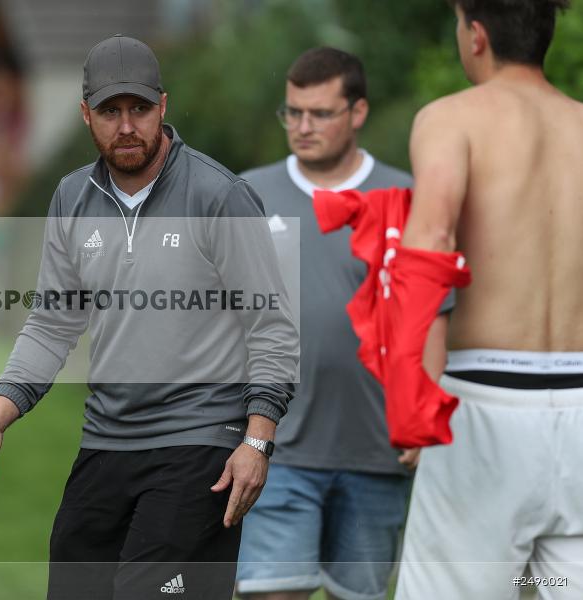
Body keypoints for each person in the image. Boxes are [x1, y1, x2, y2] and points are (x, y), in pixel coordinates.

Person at [0, 34, 299, 600]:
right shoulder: (71, 198)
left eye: (139, 109)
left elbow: (271, 327)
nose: (126, 125)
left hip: (201, 442)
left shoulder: (219, 195)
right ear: (86, 115)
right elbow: (52, 324)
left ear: (164, 106)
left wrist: (257, 442)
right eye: (110, 111)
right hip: (106, 441)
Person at [394, 1, 583, 599]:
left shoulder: (452, 120)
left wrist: (415, 401)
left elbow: (431, 247)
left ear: (475, 35)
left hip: (482, 409)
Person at [234, 47, 423, 600]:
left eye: (319, 113)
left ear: (358, 112)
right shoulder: (248, 193)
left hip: (378, 453)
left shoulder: (406, 197)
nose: (302, 126)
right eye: (292, 112)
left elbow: (430, 316)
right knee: (273, 593)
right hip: (274, 448)